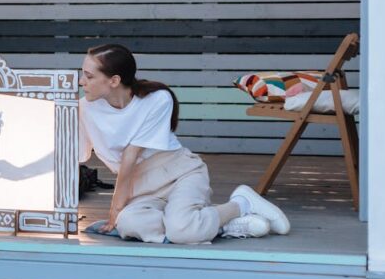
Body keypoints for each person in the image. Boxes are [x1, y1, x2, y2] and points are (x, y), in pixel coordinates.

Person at [79, 44, 290, 244]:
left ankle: (241, 204)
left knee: (176, 229)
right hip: (140, 188)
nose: (81, 82)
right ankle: (220, 224)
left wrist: (114, 212)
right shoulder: (84, 109)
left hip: (179, 174)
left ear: (114, 81)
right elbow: (70, 155)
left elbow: (130, 156)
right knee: (129, 224)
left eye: (89, 76)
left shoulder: (157, 99)